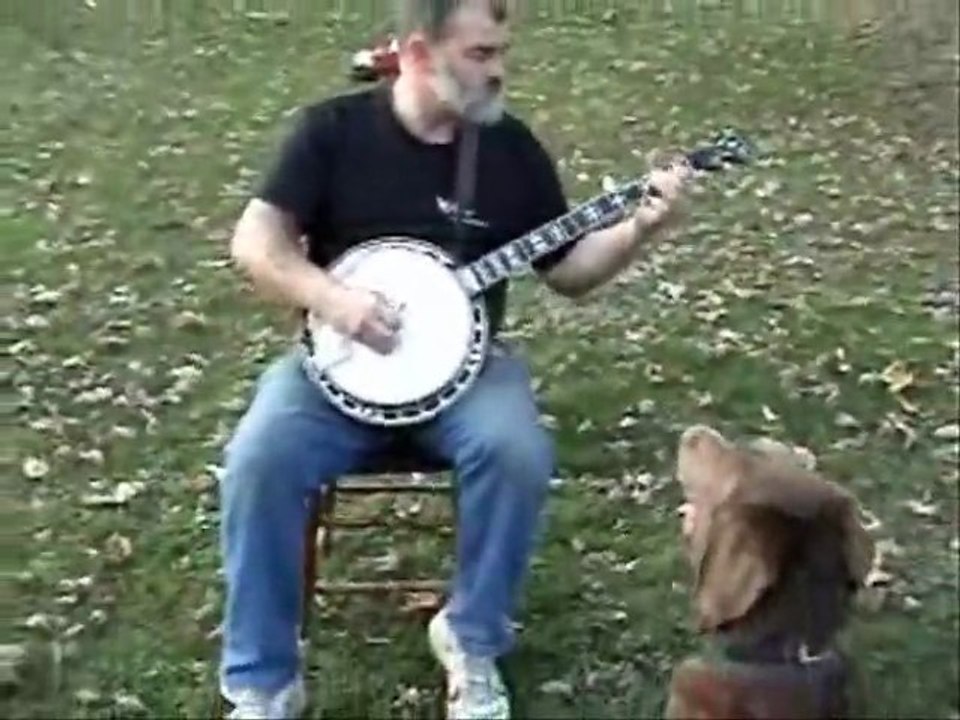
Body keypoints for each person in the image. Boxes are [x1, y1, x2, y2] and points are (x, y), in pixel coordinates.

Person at [218, 1, 691, 718]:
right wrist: (333, 300)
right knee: (258, 458)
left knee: (517, 450)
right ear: (416, 53)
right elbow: (256, 245)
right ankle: (263, 681)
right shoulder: (332, 133)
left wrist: (639, 230)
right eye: (480, 54)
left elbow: (568, 273)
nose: (498, 71)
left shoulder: (509, 152)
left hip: (467, 374)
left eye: (501, 52)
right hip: (335, 372)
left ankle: (471, 639)